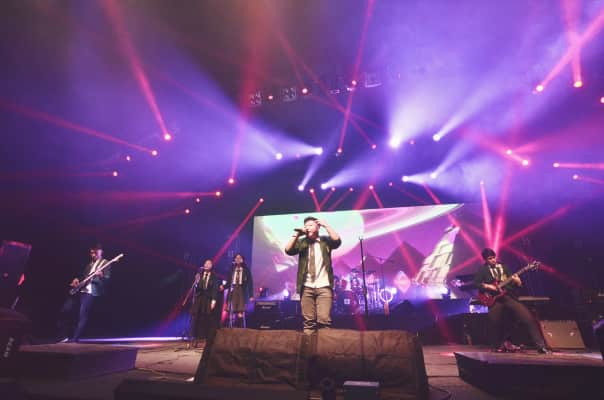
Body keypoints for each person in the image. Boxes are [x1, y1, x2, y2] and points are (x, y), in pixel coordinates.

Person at [473, 248, 548, 353]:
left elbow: (512, 284)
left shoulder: (504, 267)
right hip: (494, 299)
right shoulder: (483, 270)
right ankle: (497, 346)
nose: (493, 260)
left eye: (494, 257)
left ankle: (541, 346)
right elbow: (476, 283)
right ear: (485, 260)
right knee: (494, 322)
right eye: (490, 258)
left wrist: (518, 282)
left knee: (528, 318)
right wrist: (488, 286)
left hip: (508, 296)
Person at [285, 216, 341, 335]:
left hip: (324, 285)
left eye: (310, 225)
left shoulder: (325, 241)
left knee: (324, 320)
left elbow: (337, 241)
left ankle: (324, 345)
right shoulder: (302, 242)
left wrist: (327, 225)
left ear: (318, 227)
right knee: (308, 322)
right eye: (306, 226)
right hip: (306, 286)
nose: (307, 228)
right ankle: (309, 345)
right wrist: (297, 234)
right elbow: (288, 250)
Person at [58, 244, 111, 342]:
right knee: (65, 310)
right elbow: (83, 276)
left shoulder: (105, 263)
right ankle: (64, 336)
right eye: (91, 253)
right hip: (80, 290)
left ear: (100, 252)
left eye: (95, 252)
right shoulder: (89, 264)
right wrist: (77, 280)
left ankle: (75, 339)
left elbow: (107, 279)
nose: (93, 255)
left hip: (90, 292)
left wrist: (101, 276)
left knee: (82, 315)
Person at [188, 259, 219, 348]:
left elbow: (215, 289)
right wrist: (197, 282)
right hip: (199, 299)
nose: (206, 265)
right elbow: (196, 288)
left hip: (208, 299)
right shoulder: (200, 274)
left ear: (211, 266)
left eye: (209, 264)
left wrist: (213, 300)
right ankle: (194, 338)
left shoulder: (214, 276)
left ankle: (205, 338)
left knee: (205, 319)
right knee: (196, 318)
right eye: (205, 263)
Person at [225, 253, 253, 328]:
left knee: (240, 311)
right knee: (231, 310)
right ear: (234, 260)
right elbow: (228, 282)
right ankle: (231, 329)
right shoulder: (231, 269)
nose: (238, 259)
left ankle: (241, 329)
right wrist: (223, 287)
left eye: (239, 258)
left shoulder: (246, 270)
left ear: (242, 260)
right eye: (236, 258)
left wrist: (251, 295)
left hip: (241, 291)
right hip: (233, 290)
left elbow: (250, 283)